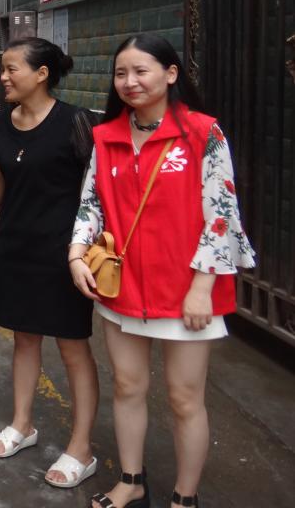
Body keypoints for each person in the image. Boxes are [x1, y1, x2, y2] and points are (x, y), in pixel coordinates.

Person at [69, 34, 256, 508]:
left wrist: (202, 286)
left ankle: (185, 497)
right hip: (122, 284)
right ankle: (131, 480)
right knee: (128, 386)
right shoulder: (106, 136)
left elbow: (221, 213)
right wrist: (76, 253)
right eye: (121, 73)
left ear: (170, 74)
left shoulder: (202, 132)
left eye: (141, 71)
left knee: (184, 398)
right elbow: (91, 204)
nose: (129, 82)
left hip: (189, 289)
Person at [0, 38, 99, 488]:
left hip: (65, 254)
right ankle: (23, 424)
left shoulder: (76, 122)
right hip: (15, 249)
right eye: (3, 69)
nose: (3, 76)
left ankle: (81, 447)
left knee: (73, 346)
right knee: (24, 338)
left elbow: (94, 191)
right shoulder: (1, 124)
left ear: (42, 74)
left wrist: (84, 247)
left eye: (11, 69)